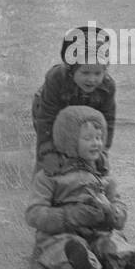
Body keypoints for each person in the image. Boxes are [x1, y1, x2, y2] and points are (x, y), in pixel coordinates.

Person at [25, 105, 135, 269]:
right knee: (62, 249)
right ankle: (84, 267)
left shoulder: (102, 175)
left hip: (97, 232)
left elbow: (119, 209)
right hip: (60, 234)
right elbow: (34, 214)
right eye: (88, 138)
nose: (96, 143)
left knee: (112, 243)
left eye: (99, 137)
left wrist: (110, 210)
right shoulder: (50, 176)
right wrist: (72, 215)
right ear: (69, 140)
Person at [31, 23, 117, 169]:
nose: (92, 79)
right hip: (51, 111)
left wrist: (102, 151)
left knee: (87, 155)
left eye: (98, 73)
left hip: (86, 115)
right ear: (71, 69)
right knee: (52, 160)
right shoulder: (56, 79)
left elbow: (107, 121)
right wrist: (47, 151)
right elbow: (46, 119)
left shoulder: (107, 87)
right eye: (85, 73)